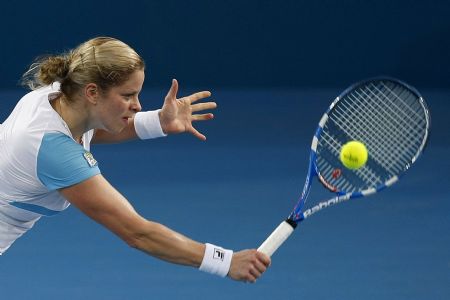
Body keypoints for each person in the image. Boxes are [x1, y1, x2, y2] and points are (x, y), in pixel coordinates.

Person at [0, 37, 270, 282]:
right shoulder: (54, 152)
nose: (138, 105)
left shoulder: (60, 95)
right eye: (128, 95)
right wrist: (225, 262)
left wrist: (158, 122)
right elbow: (137, 232)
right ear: (92, 92)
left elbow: (92, 128)